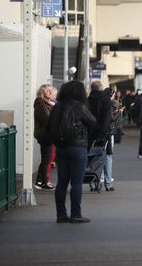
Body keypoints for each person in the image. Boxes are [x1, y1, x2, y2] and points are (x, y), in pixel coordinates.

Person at [47, 80, 96, 223]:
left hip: (61, 148)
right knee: (76, 182)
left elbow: (50, 126)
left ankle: (61, 214)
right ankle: (76, 214)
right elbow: (92, 122)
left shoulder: (57, 107)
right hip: (78, 147)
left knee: (62, 182)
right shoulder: (80, 107)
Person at [34, 84, 56, 190]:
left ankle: (40, 180)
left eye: (51, 90)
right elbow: (47, 119)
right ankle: (43, 181)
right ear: (42, 92)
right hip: (45, 134)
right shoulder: (41, 104)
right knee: (47, 159)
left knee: (48, 158)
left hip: (50, 134)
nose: (50, 92)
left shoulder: (50, 103)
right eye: (48, 91)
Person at [101, 87, 119, 191]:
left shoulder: (94, 102)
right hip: (107, 133)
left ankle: (95, 182)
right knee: (108, 157)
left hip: (96, 133)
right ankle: (108, 182)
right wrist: (118, 112)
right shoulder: (109, 105)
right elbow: (111, 119)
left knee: (97, 156)